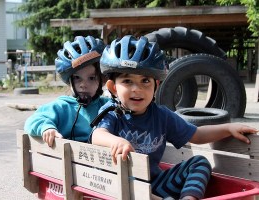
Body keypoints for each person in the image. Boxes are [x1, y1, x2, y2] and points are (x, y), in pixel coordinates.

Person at [90, 35, 258, 200]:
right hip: (123, 188)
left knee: (199, 162)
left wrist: (227, 128)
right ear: (113, 88)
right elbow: (98, 135)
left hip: (155, 182)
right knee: (130, 182)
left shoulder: (161, 115)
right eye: (127, 81)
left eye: (145, 81)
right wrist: (117, 141)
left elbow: (197, 135)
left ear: (156, 85)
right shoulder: (112, 112)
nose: (137, 89)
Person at [24, 35, 109, 146]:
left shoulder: (107, 106)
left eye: (92, 78)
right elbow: (33, 120)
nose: (83, 85)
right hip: (68, 160)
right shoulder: (62, 106)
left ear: (102, 80)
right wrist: (47, 128)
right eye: (77, 78)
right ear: (69, 81)